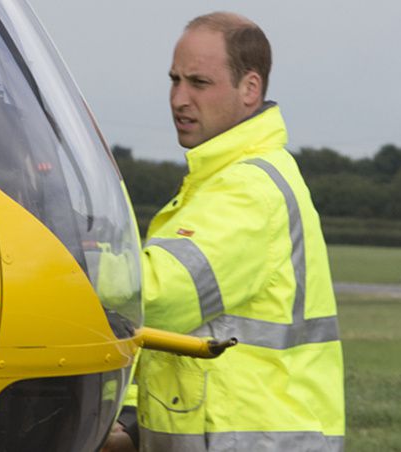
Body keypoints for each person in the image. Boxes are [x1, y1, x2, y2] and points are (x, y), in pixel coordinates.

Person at [103, 12, 345, 452]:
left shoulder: (249, 188)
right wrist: (134, 421)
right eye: (174, 80)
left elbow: (156, 298)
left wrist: (67, 259)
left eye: (199, 83)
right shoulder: (214, 181)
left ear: (249, 89)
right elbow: (170, 338)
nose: (179, 98)